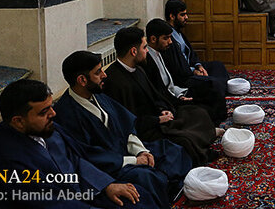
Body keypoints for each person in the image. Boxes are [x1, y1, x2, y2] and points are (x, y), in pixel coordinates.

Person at [0, 79, 155, 209]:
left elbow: (75, 160)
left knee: (137, 195)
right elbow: (45, 202)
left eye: (51, 106)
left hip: (83, 194)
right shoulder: (5, 160)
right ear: (18, 121)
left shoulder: (45, 129)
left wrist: (106, 186)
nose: (53, 114)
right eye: (44, 111)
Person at [56, 51, 192, 209]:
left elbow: (126, 125)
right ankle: (165, 189)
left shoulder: (97, 95)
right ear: (82, 80)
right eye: (98, 72)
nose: (104, 75)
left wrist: (141, 151)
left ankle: (166, 187)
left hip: (125, 150)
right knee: (146, 176)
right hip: (110, 167)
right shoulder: (66, 114)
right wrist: (134, 160)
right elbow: (87, 156)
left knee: (173, 149)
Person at [103, 27, 219, 166]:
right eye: (144, 47)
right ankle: (202, 152)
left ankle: (204, 138)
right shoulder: (115, 82)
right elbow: (127, 122)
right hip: (145, 129)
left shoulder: (138, 69)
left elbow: (155, 95)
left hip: (156, 117)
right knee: (184, 139)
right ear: (134, 51)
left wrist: (162, 108)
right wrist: (157, 119)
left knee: (197, 113)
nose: (147, 51)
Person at [145, 17, 226, 125]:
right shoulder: (148, 61)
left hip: (177, 93)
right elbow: (159, 92)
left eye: (170, 38)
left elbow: (169, 83)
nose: (170, 42)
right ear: (153, 39)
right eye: (166, 38)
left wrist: (179, 94)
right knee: (204, 109)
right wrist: (179, 98)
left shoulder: (159, 52)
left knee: (213, 90)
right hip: (170, 102)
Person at [162, 0, 229, 124]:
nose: (186, 17)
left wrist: (198, 65)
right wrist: (194, 72)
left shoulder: (178, 33)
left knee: (218, 66)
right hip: (184, 77)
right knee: (214, 83)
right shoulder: (168, 39)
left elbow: (191, 53)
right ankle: (216, 114)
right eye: (182, 15)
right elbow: (176, 68)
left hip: (191, 68)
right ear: (172, 16)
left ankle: (218, 90)